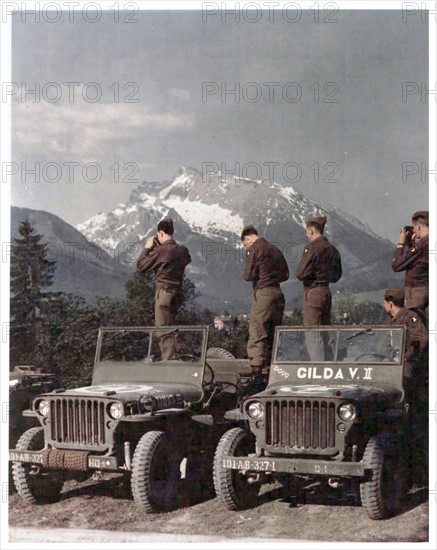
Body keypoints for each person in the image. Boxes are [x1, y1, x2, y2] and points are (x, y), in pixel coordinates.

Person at [241, 225, 289, 393]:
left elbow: (248, 275)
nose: (246, 247)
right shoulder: (275, 249)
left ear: (247, 239)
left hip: (263, 293)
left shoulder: (254, 249)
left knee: (257, 331)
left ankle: (257, 374)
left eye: (245, 244)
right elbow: (285, 275)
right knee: (274, 333)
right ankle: (273, 369)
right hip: (278, 293)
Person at [136, 218, 191, 360]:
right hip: (177, 292)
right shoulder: (182, 250)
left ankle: (169, 360)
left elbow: (141, 266)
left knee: (163, 328)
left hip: (164, 291)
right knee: (173, 326)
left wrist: (148, 248)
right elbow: (186, 259)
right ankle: (178, 356)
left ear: (160, 233)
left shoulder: (161, 251)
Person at [295, 216, 342, 361]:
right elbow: (336, 275)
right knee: (324, 332)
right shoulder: (332, 249)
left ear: (311, 230)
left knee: (313, 334)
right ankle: (327, 364)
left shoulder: (312, 248)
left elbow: (300, 273)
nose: (306, 234)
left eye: (307, 231)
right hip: (326, 291)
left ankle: (317, 367)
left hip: (313, 292)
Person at [383, 288, 428, 403]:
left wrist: (406, 357)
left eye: (385, 303)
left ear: (390, 304)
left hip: (410, 361)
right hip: (394, 360)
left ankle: (405, 405)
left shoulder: (410, 318)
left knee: (404, 374)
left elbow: (420, 340)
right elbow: (386, 344)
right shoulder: (391, 321)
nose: (384, 306)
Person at [391, 210, 429, 312]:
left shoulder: (422, 245)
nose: (414, 231)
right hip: (426, 287)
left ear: (419, 227)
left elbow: (397, 265)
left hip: (416, 291)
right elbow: (416, 260)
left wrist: (400, 245)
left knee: (415, 322)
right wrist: (412, 243)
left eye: (414, 228)